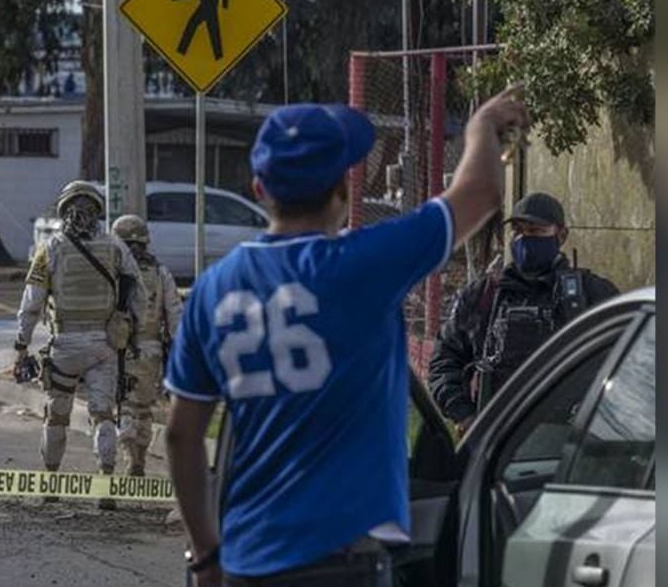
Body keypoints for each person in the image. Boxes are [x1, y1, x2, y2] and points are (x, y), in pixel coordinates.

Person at [163, 90, 528, 586]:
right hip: (343, 563)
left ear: (257, 188)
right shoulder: (365, 265)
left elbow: (182, 434)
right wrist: (481, 125)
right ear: (343, 188)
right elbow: (481, 193)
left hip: (247, 561)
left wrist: (206, 554)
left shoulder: (211, 290)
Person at [427, 192, 619, 432]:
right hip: (495, 439)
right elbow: (445, 358)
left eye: (536, 231)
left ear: (561, 235)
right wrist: (464, 415)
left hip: (569, 440)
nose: (524, 239)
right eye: (518, 231)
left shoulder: (591, 294)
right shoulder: (483, 295)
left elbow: (628, 361)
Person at [13, 181, 145, 510]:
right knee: (103, 415)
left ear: (64, 209)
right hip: (104, 344)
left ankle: (51, 482)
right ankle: (105, 487)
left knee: (57, 415)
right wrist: (130, 331)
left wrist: (22, 343)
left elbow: (32, 302)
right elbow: (138, 293)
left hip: (65, 345)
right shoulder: (115, 246)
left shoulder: (51, 248)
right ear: (98, 211)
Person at [111, 214, 184, 477]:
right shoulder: (160, 272)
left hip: (113, 349)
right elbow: (175, 315)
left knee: (120, 405)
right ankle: (137, 457)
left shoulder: (110, 271)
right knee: (142, 407)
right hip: (148, 350)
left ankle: (125, 456)